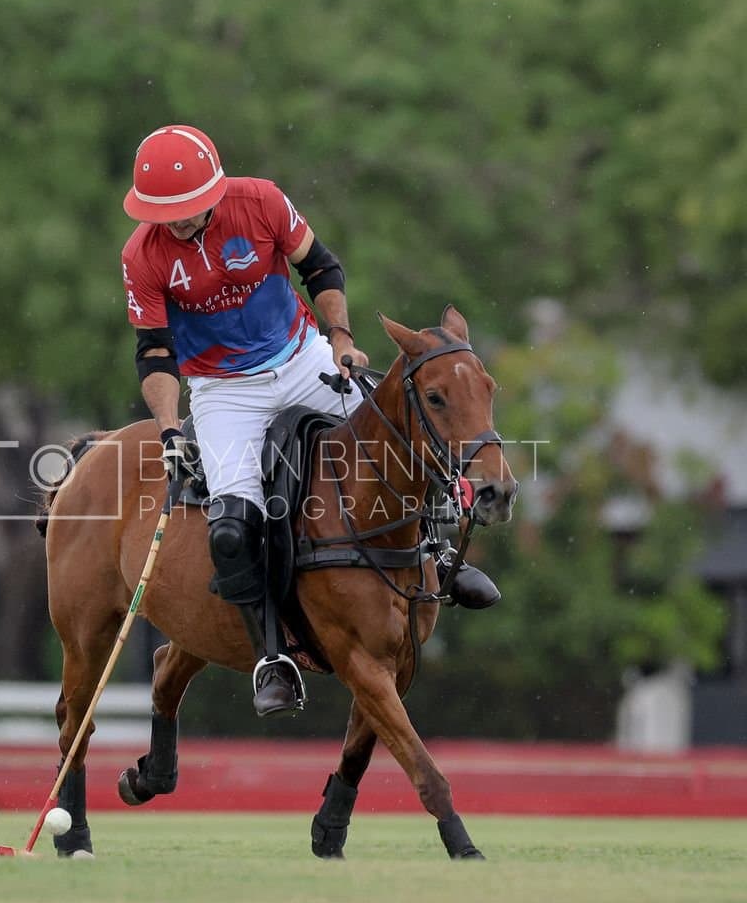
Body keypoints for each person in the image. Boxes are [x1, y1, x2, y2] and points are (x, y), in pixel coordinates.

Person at [121, 124, 497, 718]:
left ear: (216, 191)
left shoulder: (262, 201)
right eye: (166, 214)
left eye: (189, 210)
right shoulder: (142, 256)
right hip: (223, 391)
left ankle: (443, 557)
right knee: (231, 526)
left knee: (404, 438)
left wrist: (341, 340)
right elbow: (155, 353)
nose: (180, 222)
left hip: (301, 358)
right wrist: (169, 426)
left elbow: (320, 269)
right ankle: (273, 655)